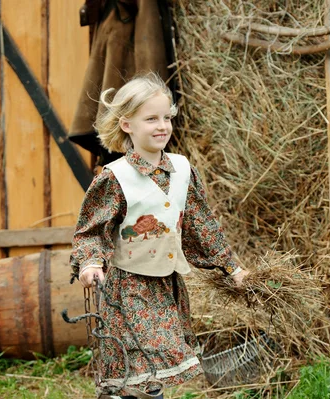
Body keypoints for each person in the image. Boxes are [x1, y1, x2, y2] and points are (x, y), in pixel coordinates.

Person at [70, 71, 249, 399]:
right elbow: (92, 231)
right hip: (129, 288)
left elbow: (201, 225)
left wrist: (232, 267)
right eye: (151, 118)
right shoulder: (115, 178)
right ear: (127, 125)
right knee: (143, 355)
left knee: (151, 365)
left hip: (167, 284)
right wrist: (89, 263)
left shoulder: (182, 170)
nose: (162, 126)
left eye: (167, 117)